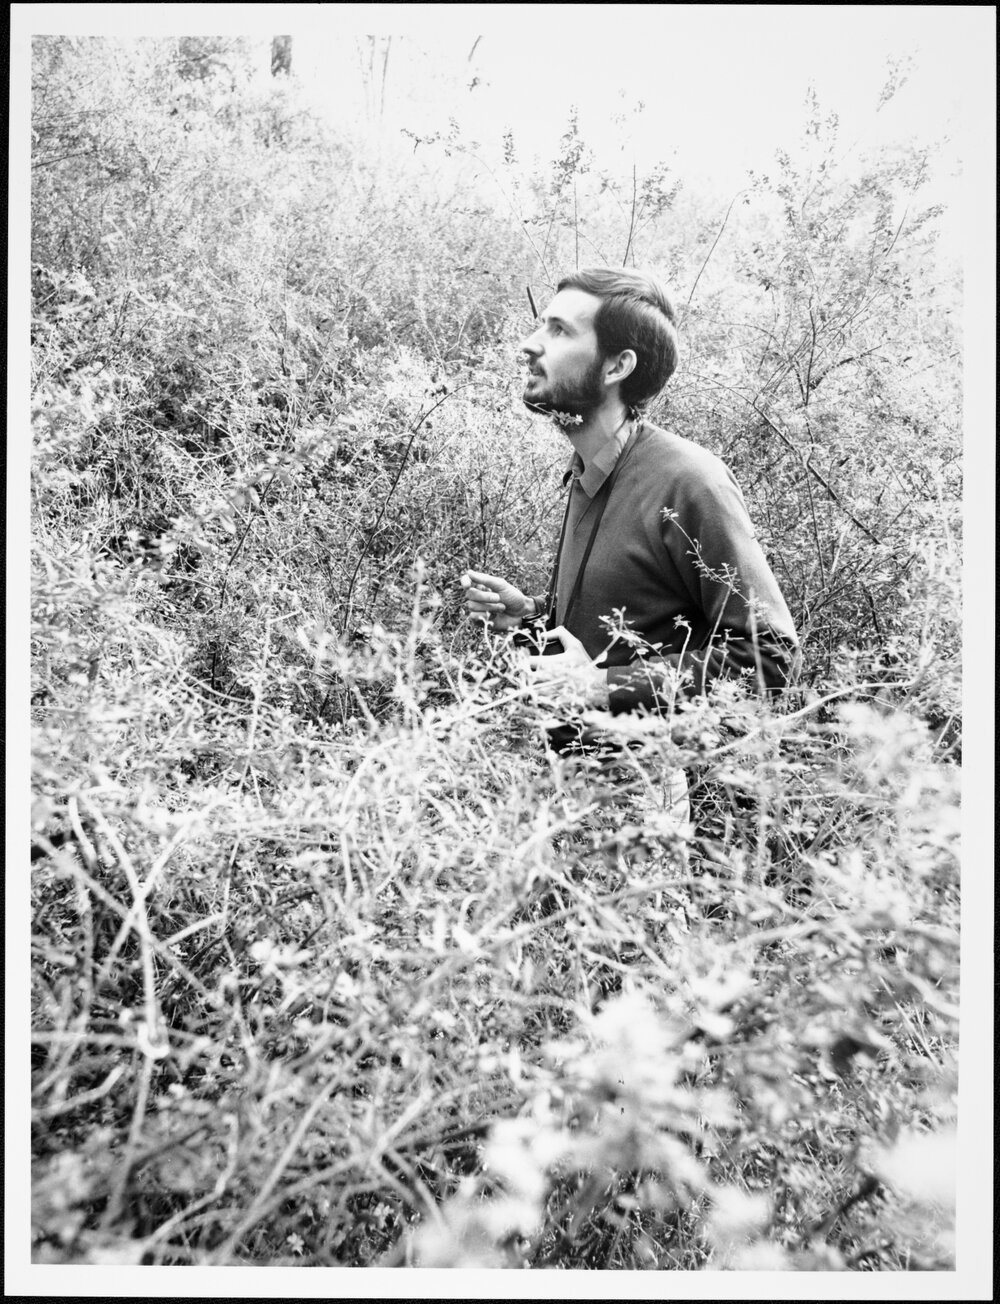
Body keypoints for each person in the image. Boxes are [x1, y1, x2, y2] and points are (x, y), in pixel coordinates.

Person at [461, 267, 800, 826]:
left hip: (637, 805)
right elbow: (631, 629)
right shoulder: (589, 470)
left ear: (618, 366)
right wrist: (529, 621)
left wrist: (596, 686)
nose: (530, 344)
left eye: (560, 331)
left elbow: (768, 657)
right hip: (561, 793)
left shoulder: (689, 481)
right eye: (541, 325)